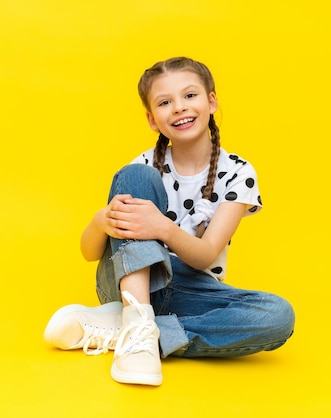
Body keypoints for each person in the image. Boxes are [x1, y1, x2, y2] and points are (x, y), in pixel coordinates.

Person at [43, 57, 295, 386]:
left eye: (190, 96)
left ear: (212, 101)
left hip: (192, 291)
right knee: (136, 175)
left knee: (277, 315)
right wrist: (99, 222)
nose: (179, 108)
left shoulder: (238, 173)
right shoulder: (143, 167)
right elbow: (90, 253)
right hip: (131, 285)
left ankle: (135, 330)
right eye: (165, 102)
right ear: (152, 119)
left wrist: (162, 227)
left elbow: (205, 255)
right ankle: (136, 317)